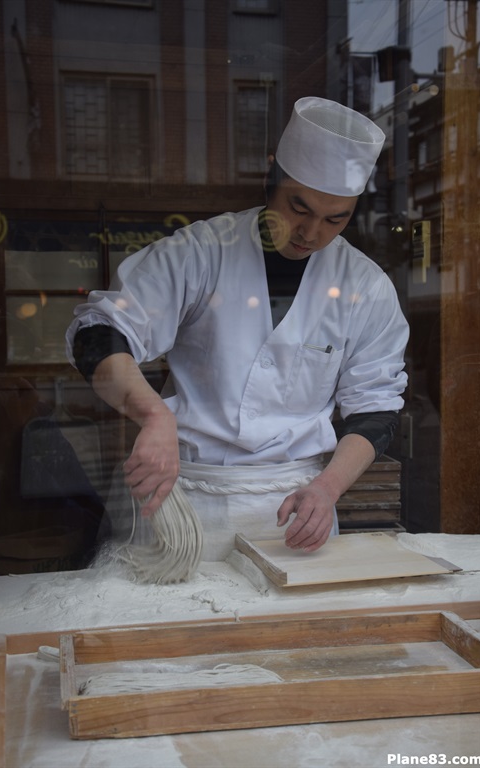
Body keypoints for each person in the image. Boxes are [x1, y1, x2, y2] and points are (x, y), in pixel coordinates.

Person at [66, 97, 409, 560]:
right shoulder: (202, 252)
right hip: (184, 500)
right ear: (270, 178)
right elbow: (99, 330)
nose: (310, 232)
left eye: (335, 219)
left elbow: (376, 408)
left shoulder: (365, 286)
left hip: (296, 506)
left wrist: (328, 488)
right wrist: (153, 414)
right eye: (298, 207)